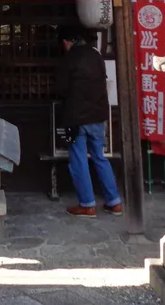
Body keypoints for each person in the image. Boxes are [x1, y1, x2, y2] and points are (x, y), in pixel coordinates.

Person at [55, 24, 122, 217]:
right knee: (99, 156)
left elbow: (62, 88)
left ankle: (87, 204)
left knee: (78, 159)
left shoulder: (69, 59)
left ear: (67, 42)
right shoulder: (96, 55)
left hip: (76, 118)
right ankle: (114, 201)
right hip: (98, 116)